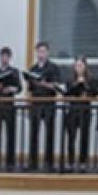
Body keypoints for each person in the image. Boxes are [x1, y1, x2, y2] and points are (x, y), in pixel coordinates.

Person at [26, 41, 61, 171]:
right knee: (33, 133)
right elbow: (30, 87)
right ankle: (32, 162)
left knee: (49, 134)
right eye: (39, 51)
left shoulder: (53, 68)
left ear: (48, 53)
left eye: (43, 51)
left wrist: (44, 84)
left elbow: (56, 86)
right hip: (35, 103)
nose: (41, 54)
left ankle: (49, 162)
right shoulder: (33, 69)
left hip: (48, 103)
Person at [0, 47, 22, 172]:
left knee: (10, 134)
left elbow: (19, 88)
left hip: (9, 104)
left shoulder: (14, 72)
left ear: (10, 58)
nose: (4, 59)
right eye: (2, 56)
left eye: (6, 56)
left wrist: (12, 89)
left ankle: (10, 162)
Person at [62, 56, 95, 173]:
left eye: (81, 65)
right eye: (77, 65)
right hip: (73, 110)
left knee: (84, 137)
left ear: (85, 67)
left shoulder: (90, 79)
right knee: (71, 137)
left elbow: (94, 93)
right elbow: (67, 93)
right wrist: (76, 84)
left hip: (85, 110)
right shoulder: (70, 79)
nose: (79, 68)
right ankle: (70, 161)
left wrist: (85, 85)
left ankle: (83, 162)